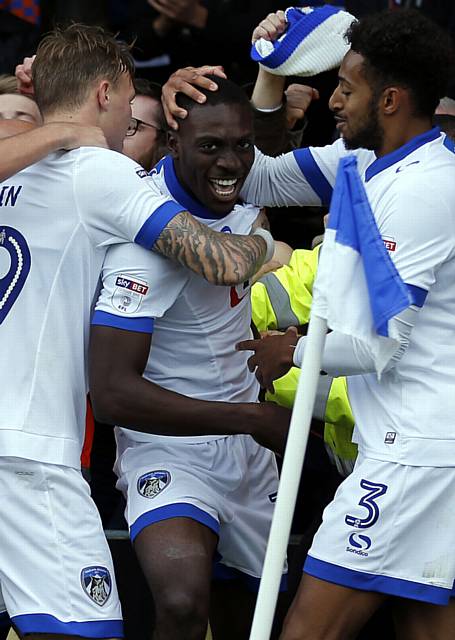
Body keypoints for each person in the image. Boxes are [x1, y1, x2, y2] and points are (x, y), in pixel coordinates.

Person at [164, 7, 455, 639]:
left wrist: (291, 352)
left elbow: (382, 349)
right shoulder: (359, 163)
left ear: (393, 99)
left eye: (348, 87)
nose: (334, 98)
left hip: (413, 457)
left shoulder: (425, 190)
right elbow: (253, 179)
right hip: (419, 450)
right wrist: (270, 73)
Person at [0, 23, 273, 640]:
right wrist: (268, 244)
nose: (129, 119)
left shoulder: (12, 155)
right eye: (126, 102)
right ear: (102, 93)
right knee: (86, 630)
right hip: (26, 447)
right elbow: (221, 262)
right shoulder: (98, 171)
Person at [89, 76, 290, 640]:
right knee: (181, 600)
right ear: (173, 142)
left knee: (253, 621)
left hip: (251, 455)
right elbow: (112, 394)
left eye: (242, 146)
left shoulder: (246, 197)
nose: (231, 162)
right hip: (170, 447)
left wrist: (270, 72)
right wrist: (250, 417)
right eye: (211, 147)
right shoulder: (145, 237)